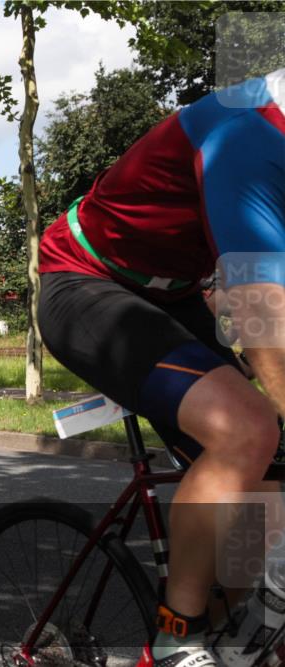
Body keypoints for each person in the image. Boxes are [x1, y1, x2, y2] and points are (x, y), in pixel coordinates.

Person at [38, 68, 285, 666]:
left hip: (174, 292)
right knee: (247, 428)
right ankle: (177, 637)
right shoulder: (248, 131)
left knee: (271, 477)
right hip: (87, 282)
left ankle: (234, 639)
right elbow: (259, 305)